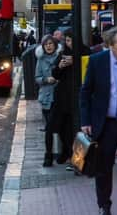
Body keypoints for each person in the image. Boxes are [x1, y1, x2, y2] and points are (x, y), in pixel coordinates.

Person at [80, 26, 117, 215]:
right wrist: (86, 120)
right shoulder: (97, 62)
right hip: (107, 123)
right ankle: (104, 205)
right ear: (111, 46)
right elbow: (86, 92)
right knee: (104, 167)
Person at [49, 30, 75, 168]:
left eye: (71, 40)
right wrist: (60, 66)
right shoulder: (62, 54)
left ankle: (72, 155)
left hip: (76, 97)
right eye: (67, 40)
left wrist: (75, 62)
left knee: (73, 128)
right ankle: (66, 152)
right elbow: (55, 74)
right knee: (60, 127)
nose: (68, 43)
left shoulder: (85, 53)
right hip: (63, 97)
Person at [34, 34, 60, 167]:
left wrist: (57, 79)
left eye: (51, 44)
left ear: (55, 45)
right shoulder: (41, 60)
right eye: (46, 44)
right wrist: (45, 80)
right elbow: (37, 78)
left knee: (56, 127)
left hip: (59, 97)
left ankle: (58, 154)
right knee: (49, 128)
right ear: (43, 47)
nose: (49, 46)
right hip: (46, 98)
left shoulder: (60, 58)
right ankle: (49, 154)